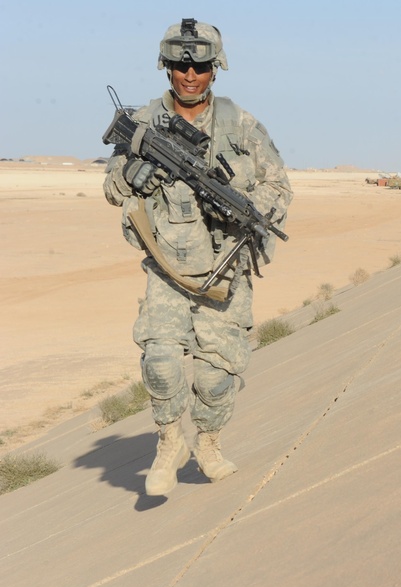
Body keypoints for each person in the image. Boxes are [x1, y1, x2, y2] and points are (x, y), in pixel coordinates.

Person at [104, 18, 293, 496]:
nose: (190, 75)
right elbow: (111, 186)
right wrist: (134, 172)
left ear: (216, 69)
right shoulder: (145, 122)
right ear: (166, 67)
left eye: (201, 66)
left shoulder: (241, 125)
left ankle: (207, 442)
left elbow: (278, 185)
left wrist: (243, 207)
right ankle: (170, 442)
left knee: (214, 375)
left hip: (225, 268)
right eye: (180, 65)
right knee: (162, 361)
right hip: (166, 267)